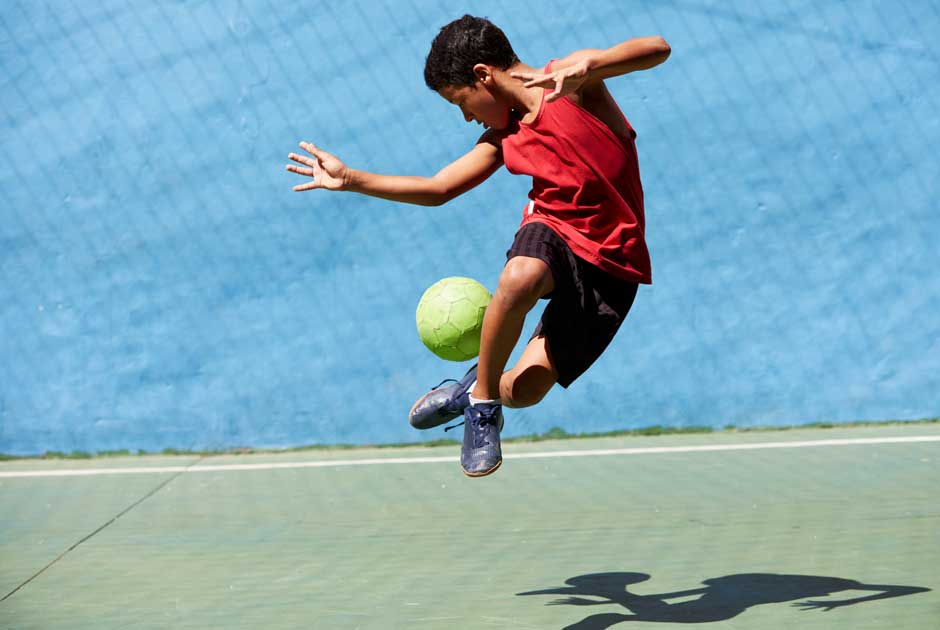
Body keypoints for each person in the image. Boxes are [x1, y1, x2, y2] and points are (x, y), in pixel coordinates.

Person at [286, 15, 670, 478]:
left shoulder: (572, 81)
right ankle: (484, 407)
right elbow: (439, 188)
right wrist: (351, 179)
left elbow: (658, 47)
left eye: (460, 102)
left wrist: (593, 64)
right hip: (553, 230)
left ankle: (472, 389)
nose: (466, 116)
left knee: (526, 389)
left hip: (613, 263)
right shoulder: (504, 137)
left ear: (483, 75)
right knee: (521, 275)